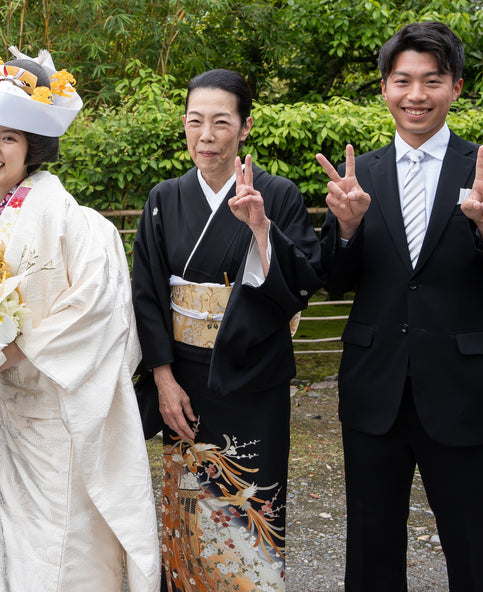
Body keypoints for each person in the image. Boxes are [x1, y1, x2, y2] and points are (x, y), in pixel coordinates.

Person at [316, 21, 483, 592]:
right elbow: (332, 282)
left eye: (432, 81)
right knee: (371, 552)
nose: (416, 95)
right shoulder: (359, 175)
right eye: (402, 81)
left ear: (456, 88)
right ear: (384, 89)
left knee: (473, 552)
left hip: (465, 389)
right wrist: (345, 228)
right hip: (376, 390)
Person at [0, 47, 159, 592]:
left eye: (9, 138)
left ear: (34, 147)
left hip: (60, 409)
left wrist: (14, 351)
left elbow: (98, 307)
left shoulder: (76, 220)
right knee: (14, 533)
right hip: (13, 410)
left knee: (61, 540)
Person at [131, 68, 323, 591]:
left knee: (251, 506)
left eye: (221, 122)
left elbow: (304, 280)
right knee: (188, 510)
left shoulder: (277, 194)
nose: (206, 135)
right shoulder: (164, 197)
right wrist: (163, 380)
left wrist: (261, 228)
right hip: (186, 381)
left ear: (245, 127)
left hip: (253, 377)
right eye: (195, 122)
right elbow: (147, 293)